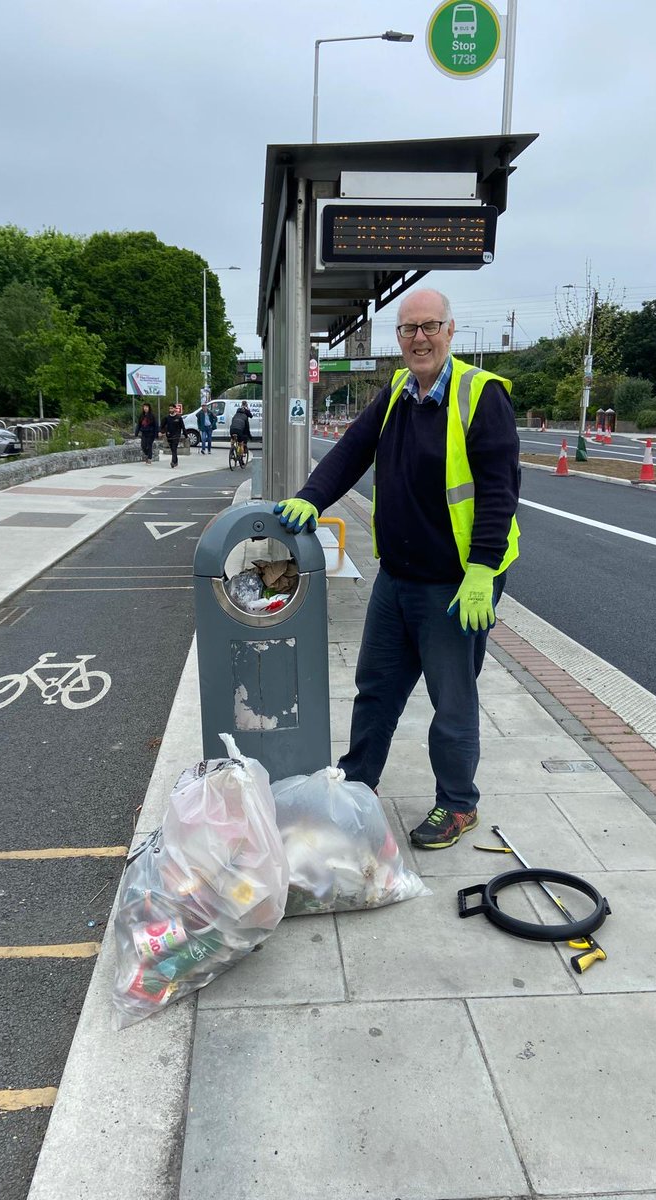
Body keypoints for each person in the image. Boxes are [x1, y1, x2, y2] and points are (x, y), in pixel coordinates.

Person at [274, 288, 520, 851]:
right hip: (398, 577)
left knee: (451, 699)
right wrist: (313, 497)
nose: (419, 338)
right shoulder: (396, 395)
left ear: (450, 331)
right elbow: (351, 452)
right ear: (399, 340)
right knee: (376, 688)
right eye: (409, 330)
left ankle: (458, 804)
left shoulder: (481, 396)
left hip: (457, 584)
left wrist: (482, 570)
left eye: (430, 326)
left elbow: (500, 492)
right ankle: (357, 781)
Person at [161, 403, 185, 468]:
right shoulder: (167, 418)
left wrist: (186, 436)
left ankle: (173, 462)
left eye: (171, 408)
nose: (170, 409)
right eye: (169, 408)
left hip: (176, 436)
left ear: (174, 409)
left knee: (174, 448)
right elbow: (162, 426)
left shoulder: (179, 418)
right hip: (169, 436)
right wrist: (162, 432)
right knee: (173, 450)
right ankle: (176, 461)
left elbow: (183, 427)